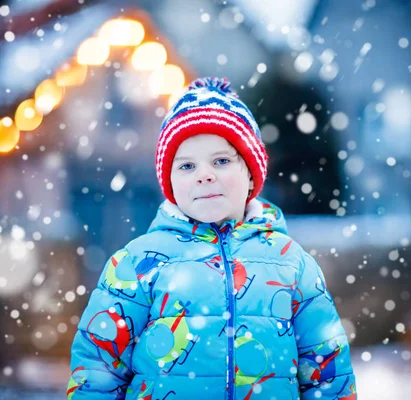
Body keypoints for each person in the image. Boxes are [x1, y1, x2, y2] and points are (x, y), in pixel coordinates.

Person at [68, 77, 357, 399]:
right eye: (187, 165)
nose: (205, 174)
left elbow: (327, 368)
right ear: (171, 183)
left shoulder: (292, 263)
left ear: (250, 173)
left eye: (221, 161)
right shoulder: (137, 264)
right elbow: (98, 367)